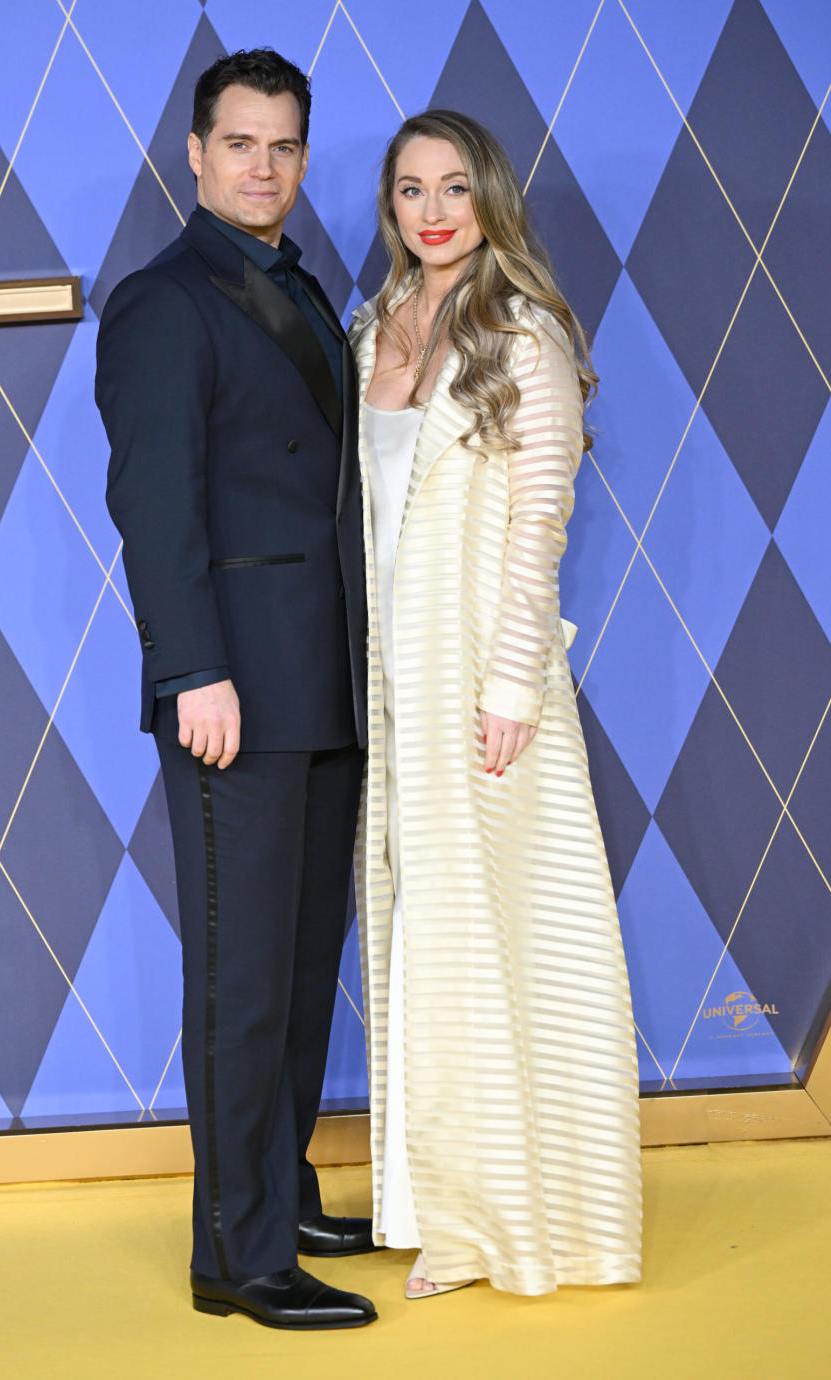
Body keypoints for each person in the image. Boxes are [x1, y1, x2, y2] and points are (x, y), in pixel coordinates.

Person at [95, 49, 377, 1331]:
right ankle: (236, 1254)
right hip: (235, 694)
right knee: (242, 975)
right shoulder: (166, 300)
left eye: (285, 148)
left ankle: (284, 1190)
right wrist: (190, 669)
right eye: (240, 144)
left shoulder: (304, 288)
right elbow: (152, 506)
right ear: (195, 155)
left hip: (323, 676)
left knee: (305, 963)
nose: (263, 167)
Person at [349, 109, 642, 1299]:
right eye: (411, 188)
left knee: (503, 947)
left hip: (480, 677)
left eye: (454, 185)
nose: (432, 210)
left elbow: (540, 524)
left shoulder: (522, 335)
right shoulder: (371, 325)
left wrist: (515, 681)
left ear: (492, 197)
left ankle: (519, 1226)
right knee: (420, 939)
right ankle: (438, 1204)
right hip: (389, 680)